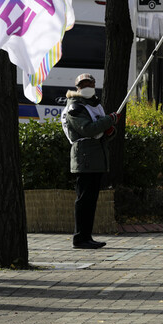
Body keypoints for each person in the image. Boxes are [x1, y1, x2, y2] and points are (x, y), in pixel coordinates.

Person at [61, 73, 119, 249]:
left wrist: (110, 130)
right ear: (77, 87)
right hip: (84, 159)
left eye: (90, 83)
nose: (88, 86)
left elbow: (101, 132)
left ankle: (87, 236)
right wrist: (109, 119)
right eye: (83, 83)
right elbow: (87, 129)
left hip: (96, 158)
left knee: (91, 200)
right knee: (84, 200)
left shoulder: (95, 105)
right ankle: (80, 238)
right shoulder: (75, 108)